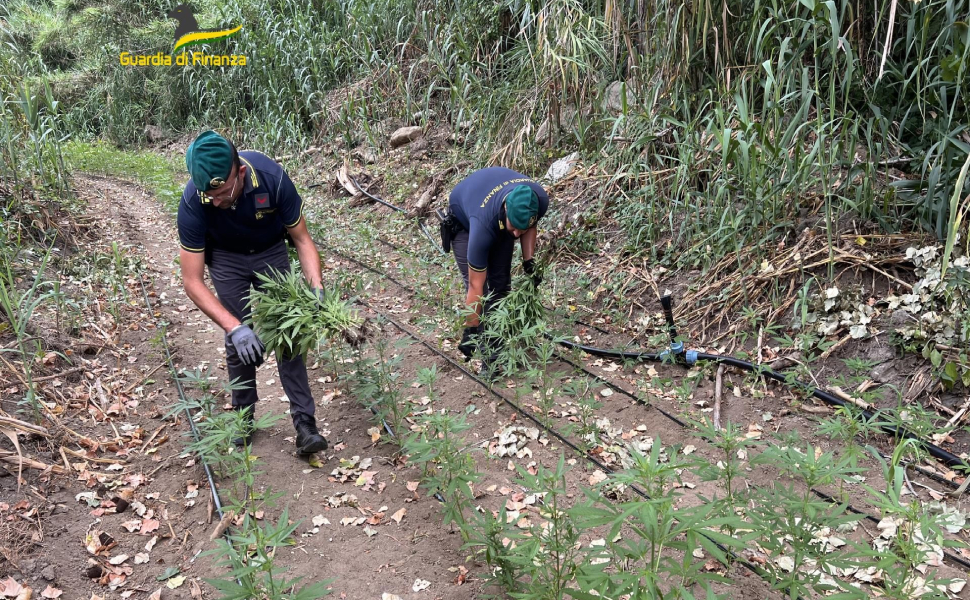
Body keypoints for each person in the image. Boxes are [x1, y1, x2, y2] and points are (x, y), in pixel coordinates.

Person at [176, 130, 328, 456]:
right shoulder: (193, 200)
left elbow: (301, 240)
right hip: (226, 258)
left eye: (222, 193)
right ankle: (243, 415)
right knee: (239, 340)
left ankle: (305, 424)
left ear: (240, 172)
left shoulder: (272, 178)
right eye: (208, 195)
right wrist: (235, 327)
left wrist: (316, 288)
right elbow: (192, 280)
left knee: (290, 331)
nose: (215, 201)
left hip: (270, 250)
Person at [445, 167, 549, 363]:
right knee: (481, 290)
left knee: (500, 285)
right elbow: (476, 286)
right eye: (515, 227)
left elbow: (529, 225)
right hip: (466, 221)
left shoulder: (538, 200)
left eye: (522, 229)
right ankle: (483, 346)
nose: (517, 235)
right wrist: (471, 330)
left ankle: (493, 353)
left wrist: (529, 262)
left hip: (497, 215)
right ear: (506, 209)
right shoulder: (483, 225)